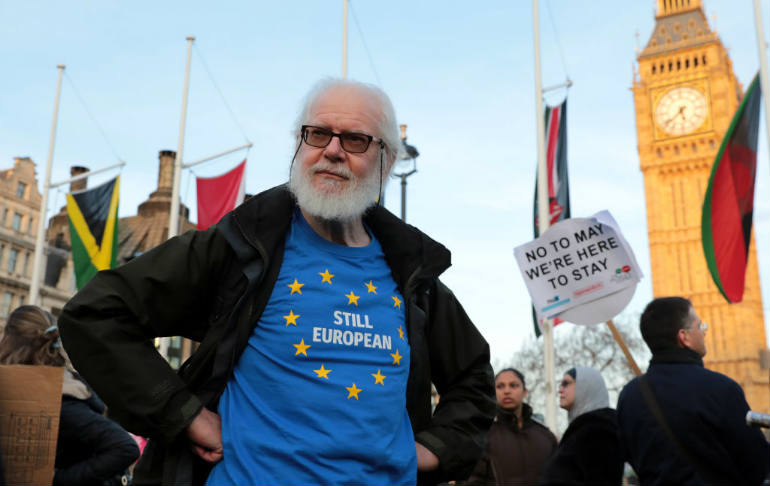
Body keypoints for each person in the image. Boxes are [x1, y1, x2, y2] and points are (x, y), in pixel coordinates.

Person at [59, 78, 495, 486]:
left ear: (388, 160)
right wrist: (186, 414)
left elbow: (473, 379)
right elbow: (95, 314)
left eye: (355, 140)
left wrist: (433, 451)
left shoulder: (412, 274)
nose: (332, 151)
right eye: (318, 134)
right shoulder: (240, 247)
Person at [617, 296, 770, 485]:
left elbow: (630, 455)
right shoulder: (721, 388)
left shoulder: (629, 396)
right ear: (684, 337)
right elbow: (757, 463)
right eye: (700, 326)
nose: (704, 332)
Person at [0, 305, 139, 486]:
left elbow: (125, 447)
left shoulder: (62, 400)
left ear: (11, 343)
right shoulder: (41, 390)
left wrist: (58, 479)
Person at [465, 368, 556, 485]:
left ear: (525, 392)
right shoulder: (481, 436)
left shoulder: (546, 436)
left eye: (513, 385)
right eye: (500, 386)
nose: (507, 391)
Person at [541, 366, 623, 486]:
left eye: (566, 383)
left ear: (586, 386)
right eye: (561, 384)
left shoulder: (599, 431)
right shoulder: (583, 428)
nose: (560, 390)